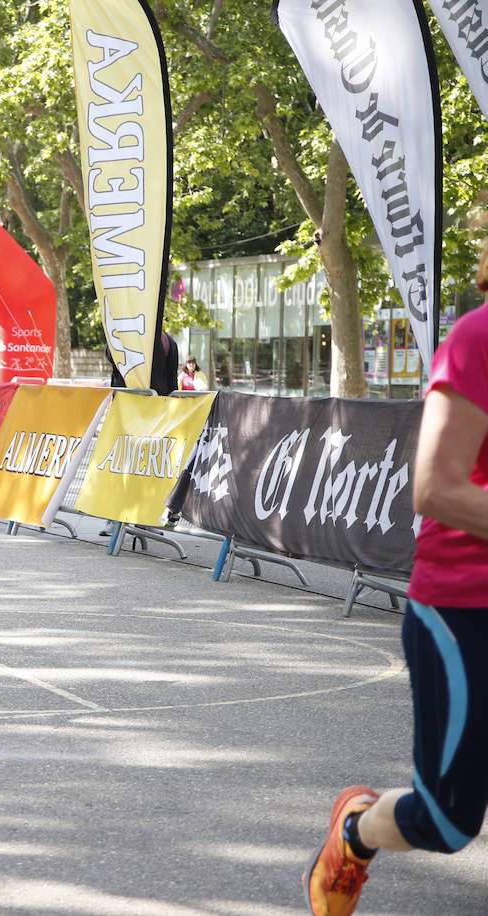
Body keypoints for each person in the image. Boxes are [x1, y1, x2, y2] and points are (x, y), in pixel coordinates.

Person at [302, 266, 488, 915]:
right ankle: (355, 829)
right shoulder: (478, 339)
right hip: (465, 608)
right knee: (448, 821)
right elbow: (436, 489)